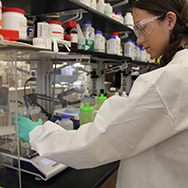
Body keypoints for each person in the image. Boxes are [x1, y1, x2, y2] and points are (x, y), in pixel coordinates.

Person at [12, 0, 188, 187]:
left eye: (142, 28)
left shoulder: (173, 77)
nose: (139, 39)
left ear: (170, 21)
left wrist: (38, 134)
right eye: (136, 31)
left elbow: (96, 142)